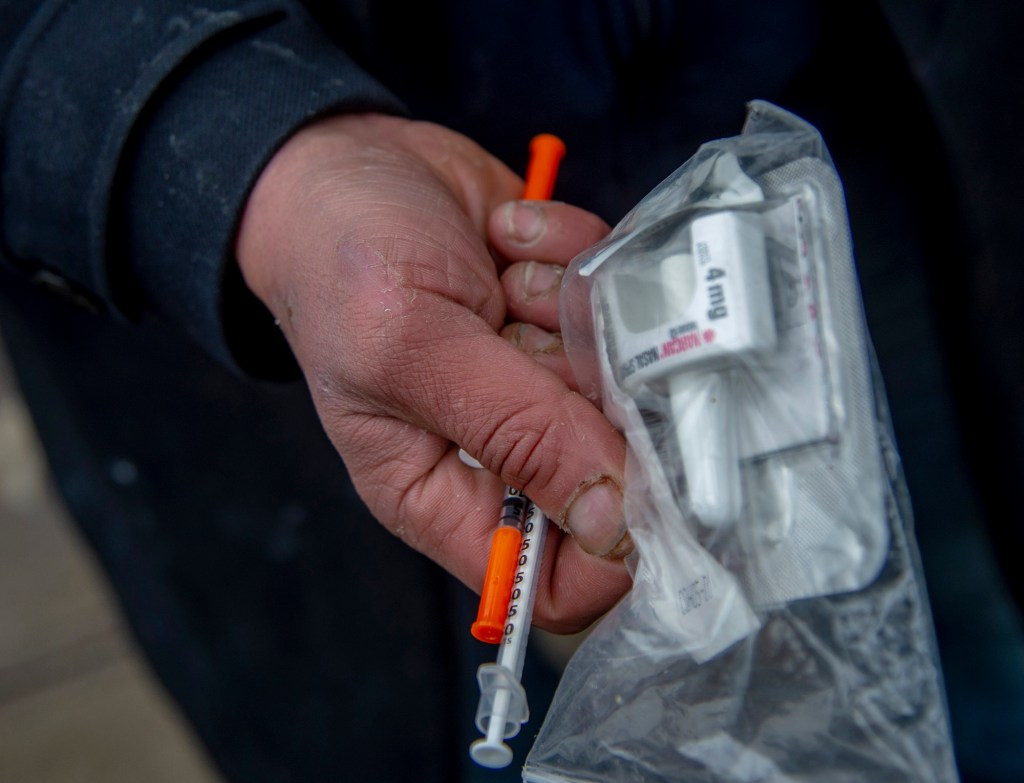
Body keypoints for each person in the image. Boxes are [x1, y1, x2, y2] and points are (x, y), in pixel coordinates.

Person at [1, 2, 1022, 782]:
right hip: (269, 281)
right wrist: (230, 142)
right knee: (393, 734)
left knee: (922, 621)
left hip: (814, 104)